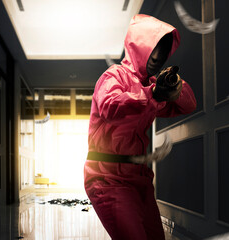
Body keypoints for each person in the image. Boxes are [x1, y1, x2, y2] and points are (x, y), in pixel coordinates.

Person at [84, 14, 197, 240]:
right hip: (107, 179)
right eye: (153, 47)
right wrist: (151, 94)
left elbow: (188, 105)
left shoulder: (152, 85)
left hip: (140, 178)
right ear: (138, 45)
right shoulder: (113, 75)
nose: (158, 56)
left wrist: (174, 86)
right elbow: (110, 106)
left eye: (163, 50)